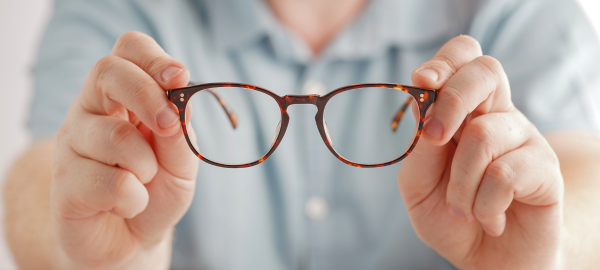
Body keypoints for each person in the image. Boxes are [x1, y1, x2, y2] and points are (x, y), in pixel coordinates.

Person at [4, 0, 600, 269]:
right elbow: (45, 169)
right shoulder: (115, 11)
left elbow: (582, 173)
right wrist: (96, 262)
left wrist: (542, 259)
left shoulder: (519, 9)